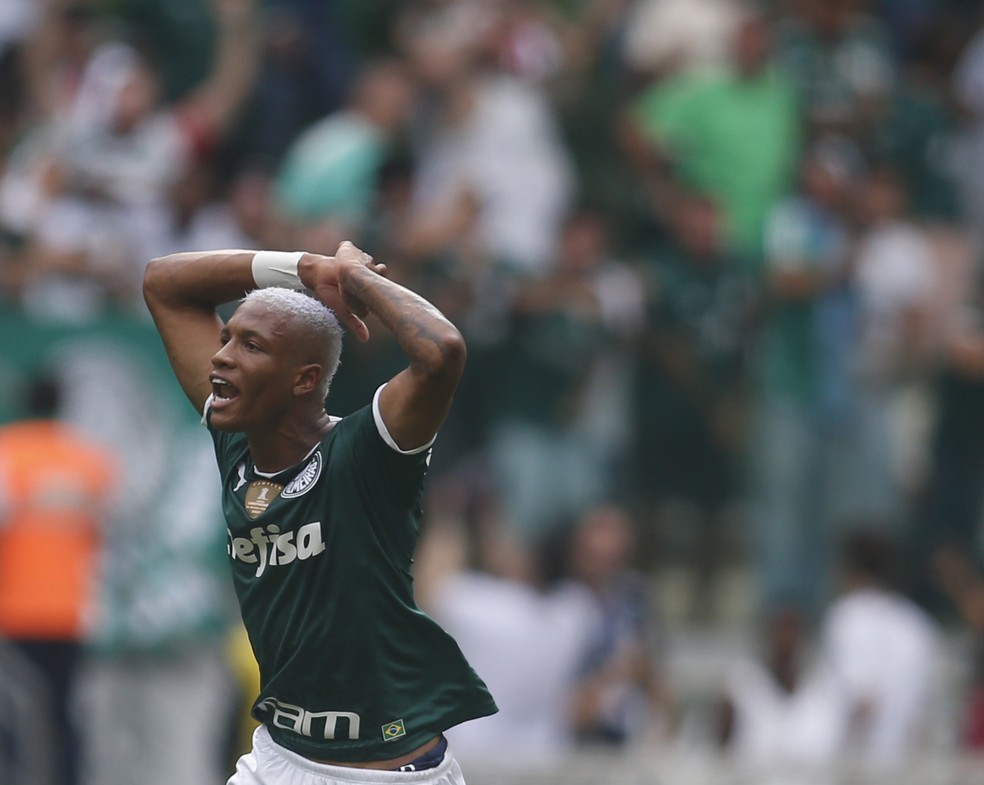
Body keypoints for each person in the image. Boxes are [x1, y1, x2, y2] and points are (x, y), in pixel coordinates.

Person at [142, 241, 497, 784]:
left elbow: (441, 351)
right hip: (277, 760)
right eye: (226, 338)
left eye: (251, 346)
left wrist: (357, 281)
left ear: (304, 379)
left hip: (386, 772)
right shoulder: (237, 440)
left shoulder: (364, 454)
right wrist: (309, 267)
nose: (222, 356)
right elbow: (164, 282)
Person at [0, 373, 115, 785]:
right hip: (72, 611)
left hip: (14, 612)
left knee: (13, 716)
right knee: (65, 712)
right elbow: (107, 532)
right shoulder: (89, 459)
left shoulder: (8, 451)